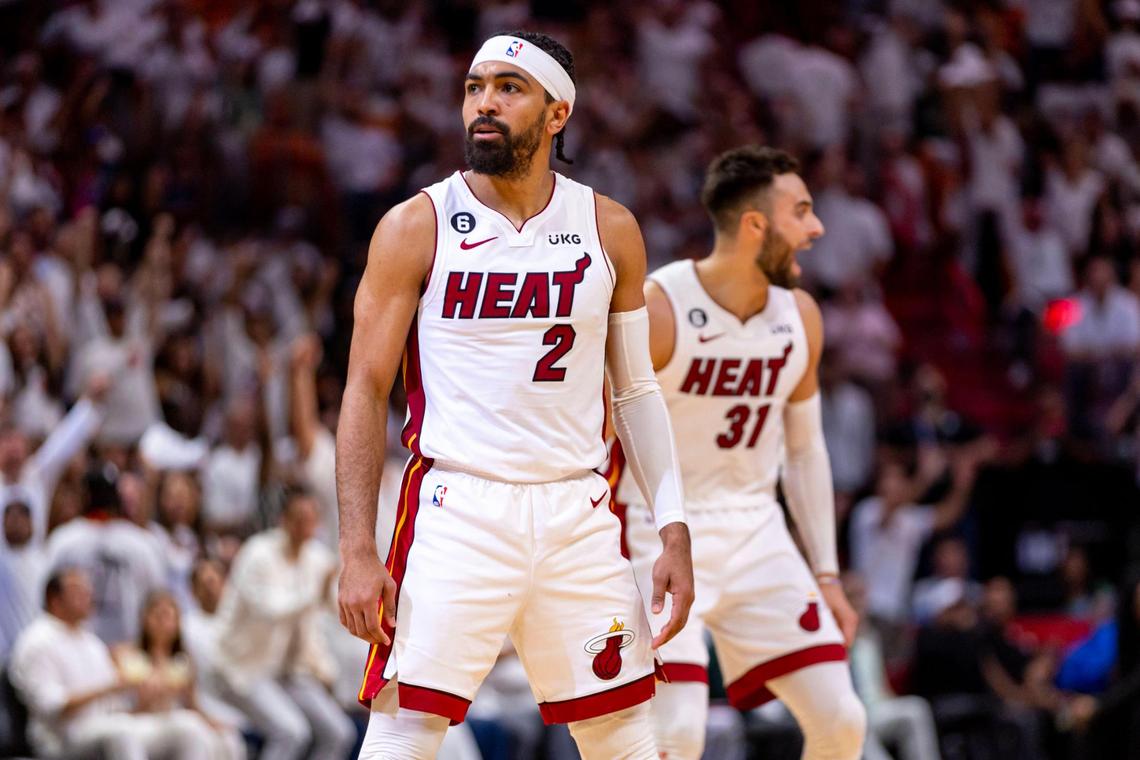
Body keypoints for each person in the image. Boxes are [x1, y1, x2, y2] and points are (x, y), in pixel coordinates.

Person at [335, 30, 694, 759]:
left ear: (556, 113)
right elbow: (365, 388)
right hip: (457, 509)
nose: (484, 104)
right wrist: (355, 547)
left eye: (508, 88)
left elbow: (633, 391)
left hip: (578, 511)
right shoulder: (415, 225)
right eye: (474, 88)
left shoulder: (609, 228)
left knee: (629, 739)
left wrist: (674, 525)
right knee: (403, 730)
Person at [612, 145, 866, 760]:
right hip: (659, 530)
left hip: (757, 527)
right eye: (801, 212)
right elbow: (604, 432)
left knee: (843, 720)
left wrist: (826, 574)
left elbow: (805, 453)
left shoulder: (800, 315)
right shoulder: (661, 306)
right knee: (676, 734)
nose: (816, 228)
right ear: (756, 224)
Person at [8, 566, 210, 760]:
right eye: (78, 591)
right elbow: (52, 707)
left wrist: (145, 698)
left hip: (106, 725)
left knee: (188, 726)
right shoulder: (37, 641)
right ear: (54, 599)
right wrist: (110, 687)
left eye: (88, 590)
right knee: (121, 732)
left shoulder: (90, 641)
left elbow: (116, 704)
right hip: (61, 737)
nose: (88, 596)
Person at [213, 489, 355, 760]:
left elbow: (331, 609)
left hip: (287, 670)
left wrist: (325, 671)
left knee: (339, 732)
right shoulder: (257, 553)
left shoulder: (317, 558)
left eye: (311, 519)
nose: (305, 525)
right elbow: (271, 609)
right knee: (292, 732)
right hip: (241, 669)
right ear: (283, 520)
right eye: (298, 518)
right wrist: (318, 590)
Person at [112, 590, 246, 760]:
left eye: (169, 616)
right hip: (140, 723)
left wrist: (215, 723)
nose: (163, 622)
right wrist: (147, 700)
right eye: (158, 615)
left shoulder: (183, 662)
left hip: (175, 719)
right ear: (145, 618)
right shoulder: (126, 655)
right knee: (189, 729)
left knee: (229, 738)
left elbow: (192, 706)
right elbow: (118, 708)